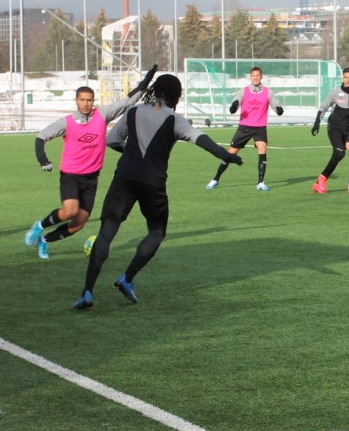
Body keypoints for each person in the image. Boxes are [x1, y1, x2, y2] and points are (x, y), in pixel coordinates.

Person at [74, 73, 242, 310]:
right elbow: (201, 139)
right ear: (175, 95)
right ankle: (126, 278)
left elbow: (112, 141)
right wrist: (226, 155)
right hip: (152, 183)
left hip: (124, 177)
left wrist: (131, 154)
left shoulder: (133, 112)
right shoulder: (175, 119)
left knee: (106, 233)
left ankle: (87, 293)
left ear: (155, 90)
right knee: (156, 232)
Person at [24, 66, 156, 259]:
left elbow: (128, 101)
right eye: (82, 100)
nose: (86, 104)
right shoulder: (66, 122)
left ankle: (44, 241)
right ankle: (39, 226)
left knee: (78, 224)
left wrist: (146, 81)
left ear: (93, 101)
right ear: (76, 101)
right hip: (70, 175)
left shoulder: (102, 115)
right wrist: (43, 160)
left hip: (92, 178)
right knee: (70, 211)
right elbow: (41, 136)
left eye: (89, 100)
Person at [205, 66, 283, 192]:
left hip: (260, 128)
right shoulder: (244, 91)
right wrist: (234, 106)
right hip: (244, 127)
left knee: (262, 149)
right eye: (253, 76)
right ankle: (216, 179)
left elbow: (276, 106)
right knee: (230, 154)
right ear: (250, 77)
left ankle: (260, 182)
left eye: (258, 75)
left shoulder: (268, 92)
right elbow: (236, 103)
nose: (255, 78)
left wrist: (279, 110)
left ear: (261, 77)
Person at [310, 67, 349, 193]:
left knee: (339, 155)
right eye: (345, 77)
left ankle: (319, 182)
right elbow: (323, 107)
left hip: (347, 130)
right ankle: (322, 179)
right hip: (334, 127)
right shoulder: (335, 92)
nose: (347, 80)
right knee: (340, 153)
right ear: (342, 78)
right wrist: (317, 122)